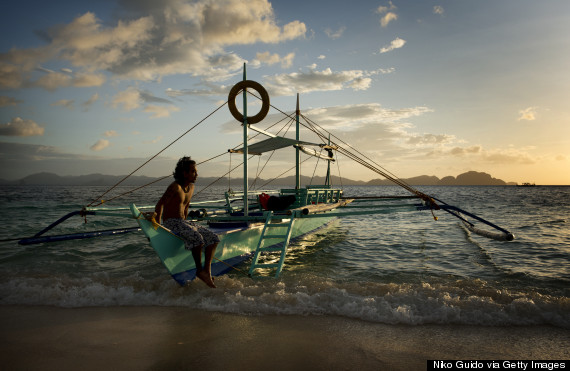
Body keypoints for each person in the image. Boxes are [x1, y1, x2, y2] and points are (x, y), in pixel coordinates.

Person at [147, 156, 219, 288]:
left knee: (214, 238)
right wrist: (157, 226)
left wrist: (187, 225)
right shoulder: (175, 187)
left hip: (183, 222)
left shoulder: (191, 187)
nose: (196, 174)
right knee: (197, 238)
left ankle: (206, 272)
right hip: (171, 222)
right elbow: (160, 205)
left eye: (195, 171)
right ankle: (199, 270)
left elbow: (185, 207)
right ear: (184, 173)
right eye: (193, 171)